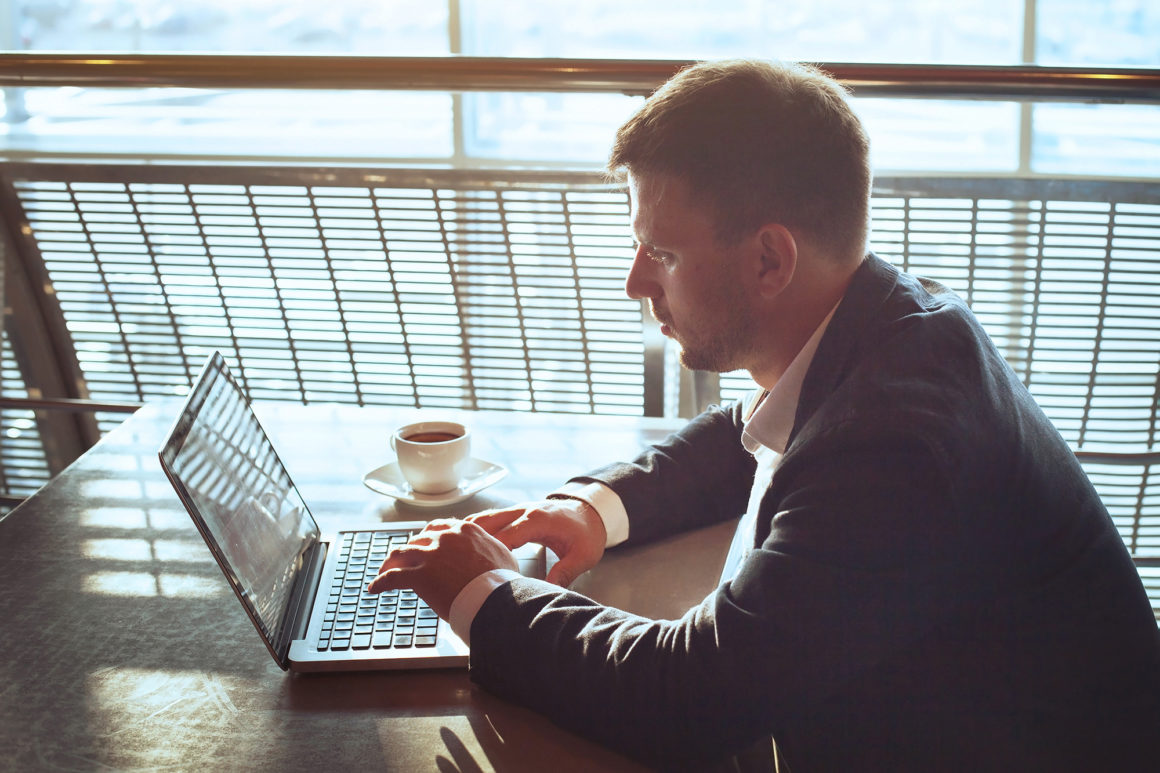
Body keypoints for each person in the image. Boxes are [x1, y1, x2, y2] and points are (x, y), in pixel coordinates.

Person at [369, 59, 1160, 770]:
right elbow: (747, 434)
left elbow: (694, 697)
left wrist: (488, 597)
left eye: (663, 253)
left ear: (769, 259)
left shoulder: (896, 445)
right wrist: (593, 510)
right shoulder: (894, 328)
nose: (635, 282)